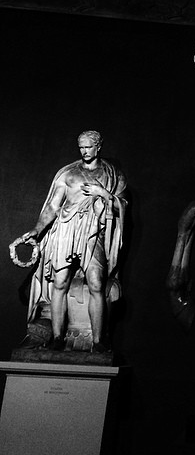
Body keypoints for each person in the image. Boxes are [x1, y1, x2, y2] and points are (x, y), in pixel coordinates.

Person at [13, 130, 127, 352]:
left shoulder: (113, 175)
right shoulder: (68, 174)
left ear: (99, 146)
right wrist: (37, 229)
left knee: (96, 283)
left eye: (88, 147)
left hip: (93, 231)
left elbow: (121, 207)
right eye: (81, 147)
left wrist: (103, 193)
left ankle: (98, 341)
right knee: (60, 282)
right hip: (66, 228)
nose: (84, 151)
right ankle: (56, 338)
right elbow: (53, 207)